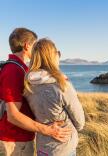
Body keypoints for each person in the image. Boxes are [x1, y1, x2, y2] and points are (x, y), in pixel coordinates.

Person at [0, 28, 71, 156]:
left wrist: (58, 77)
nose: (38, 49)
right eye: (36, 45)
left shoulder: (22, 68)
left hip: (22, 138)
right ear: (27, 46)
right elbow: (13, 116)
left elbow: (40, 80)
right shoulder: (13, 70)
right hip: (14, 142)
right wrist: (47, 130)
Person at [24, 38, 85, 156]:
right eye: (58, 53)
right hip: (63, 147)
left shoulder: (28, 84)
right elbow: (80, 123)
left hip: (42, 147)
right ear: (52, 57)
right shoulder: (62, 86)